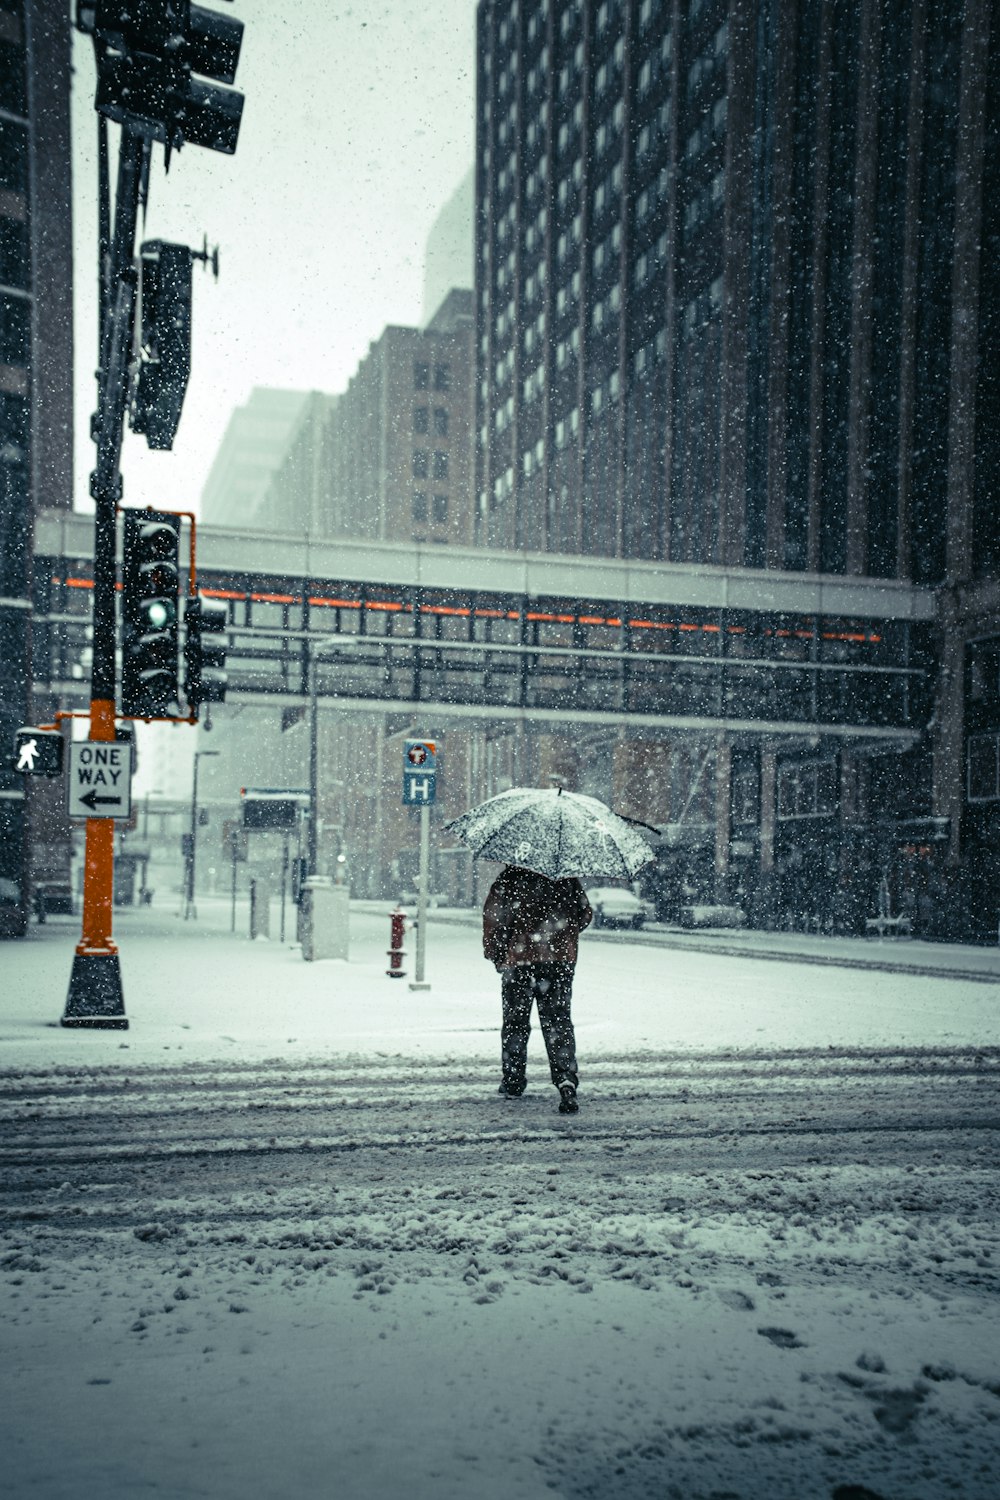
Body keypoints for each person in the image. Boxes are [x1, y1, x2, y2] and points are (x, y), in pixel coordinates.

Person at [482, 865, 593, 1114]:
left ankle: (513, 1080)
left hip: (519, 960)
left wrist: (499, 953)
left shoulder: (510, 878)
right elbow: (585, 915)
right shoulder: (567, 878)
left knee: (515, 1023)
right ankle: (565, 1079)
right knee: (558, 1021)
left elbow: (493, 918)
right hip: (559, 961)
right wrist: (560, 936)